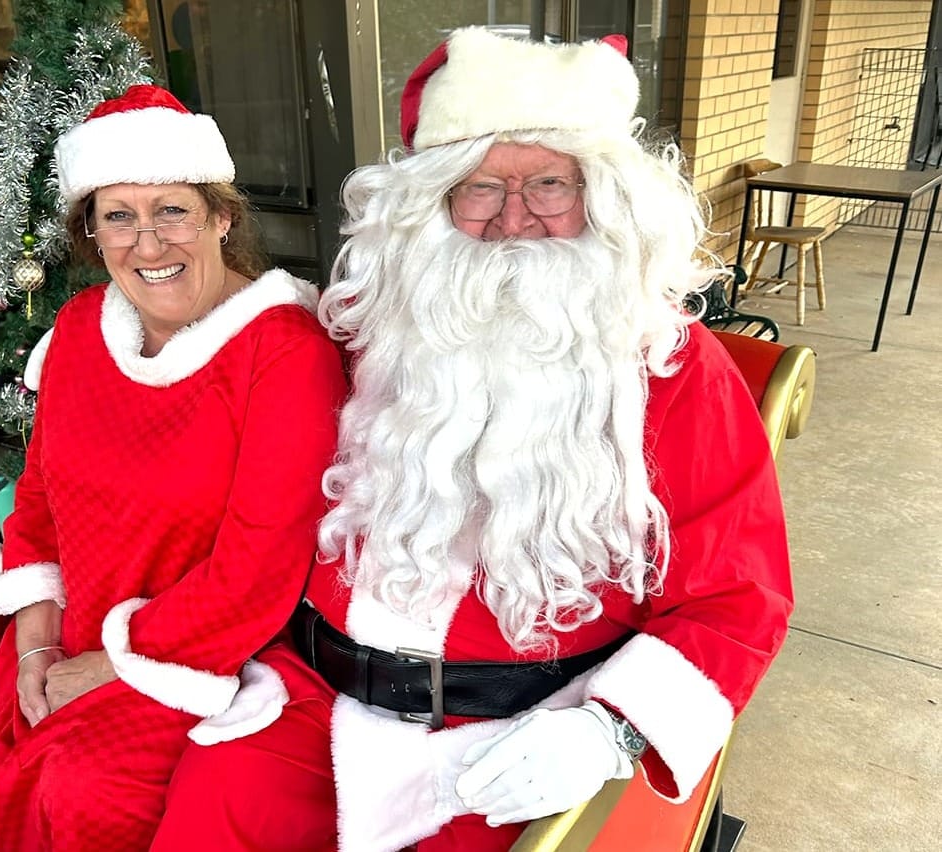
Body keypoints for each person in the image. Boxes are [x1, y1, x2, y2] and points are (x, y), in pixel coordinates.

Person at [152, 28, 794, 852]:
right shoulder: (354, 338)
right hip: (307, 703)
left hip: (523, 736)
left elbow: (736, 599)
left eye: (549, 185)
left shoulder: (669, 369)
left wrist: (610, 731)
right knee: (205, 825)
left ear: (602, 196)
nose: (514, 218)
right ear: (430, 205)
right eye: (479, 187)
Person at [0, 84, 346, 850]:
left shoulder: (283, 353)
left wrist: (115, 661)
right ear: (92, 232)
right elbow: (41, 496)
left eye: (172, 211)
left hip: (204, 659)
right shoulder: (84, 326)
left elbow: (256, 570)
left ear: (221, 216)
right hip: (67, 639)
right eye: (119, 216)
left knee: (79, 792)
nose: (148, 245)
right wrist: (36, 640)